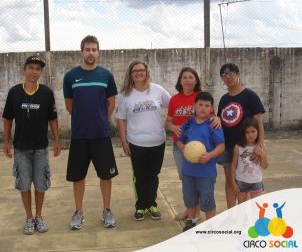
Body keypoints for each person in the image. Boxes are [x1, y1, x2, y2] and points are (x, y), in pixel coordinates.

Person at [63, 35, 118, 230]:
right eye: (87, 49)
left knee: (106, 175)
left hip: (101, 134)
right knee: (78, 176)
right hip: (79, 135)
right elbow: (70, 106)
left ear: (98, 52)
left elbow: (111, 103)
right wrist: (83, 119)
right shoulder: (70, 77)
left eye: (94, 49)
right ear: (82, 51)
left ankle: (107, 210)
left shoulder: (106, 76)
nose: (91, 53)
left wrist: (101, 118)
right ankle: (78, 212)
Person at [2, 55, 61, 235]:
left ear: (40, 72)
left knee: (41, 184)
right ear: (24, 69)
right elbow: (7, 118)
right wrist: (6, 142)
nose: (34, 72)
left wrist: (57, 140)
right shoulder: (14, 92)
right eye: (31, 68)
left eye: (37, 69)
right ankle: (28, 218)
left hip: (41, 148)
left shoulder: (46, 93)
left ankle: (39, 216)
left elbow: (53, 119)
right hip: (21, 148)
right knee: (25, 184)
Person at [115, 60, 171, 221]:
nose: (138, 73)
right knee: (139, 176)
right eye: (135, 71)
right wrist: (124, 142)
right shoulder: (126, 94)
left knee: (153, 175)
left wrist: (171, 123)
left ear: (147, 72)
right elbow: (121, 120)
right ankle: (140, 206)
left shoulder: (158, 90)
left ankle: (152, 204)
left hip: (157, 141)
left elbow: (173, 105)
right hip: (136, 142)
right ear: (130, 75)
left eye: (141, 70)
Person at [165, 67, 221, 221]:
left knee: (202, 181)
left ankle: (201, 215)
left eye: (191, 77)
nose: (188, 80)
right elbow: (168, 122)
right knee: (187, 178)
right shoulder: (174, 99)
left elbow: (213, 117)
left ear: (196, 80)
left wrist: (218, 119)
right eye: (185, 77)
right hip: (181, 145)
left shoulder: (201, 97)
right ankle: (192, 213)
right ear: (180, 80)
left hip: (202, 147)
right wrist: (174, 127)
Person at [217, 63, 265, 209]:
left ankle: (250, 215)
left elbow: (259, 122)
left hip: (247, 148)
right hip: (228, 147)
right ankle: (231, 213)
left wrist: (260, 146)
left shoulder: (250, 95)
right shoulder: (224, 99)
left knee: (249, 181)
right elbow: (220, 121)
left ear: (238, 74)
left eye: (230, 73)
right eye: (224, 75)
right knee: (231, 181)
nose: (228, 77)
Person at [177, 91, 225, 232]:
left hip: (206, 172)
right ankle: (191, 222)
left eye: (207, 105)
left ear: (211, 109)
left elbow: (221, 146)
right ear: (194, 106)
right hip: (188, 171)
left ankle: (210, 226)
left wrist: (210, 156)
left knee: (207, 199)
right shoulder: (188, 124)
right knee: (190, 198)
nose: (203, 108)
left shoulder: (213, 124)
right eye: (200, 104)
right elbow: (179, 141)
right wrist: (183, 148)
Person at [231, 118, 269, 204]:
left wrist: (262, 155)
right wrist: (233, 182)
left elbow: (265, 166)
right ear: (243, 133)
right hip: (241, 182)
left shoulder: (261, 147)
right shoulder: (238, 147)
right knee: (242, 208)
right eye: (247, 132)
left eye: (253, 131)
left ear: (258, 131)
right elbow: (233, 165)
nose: (250, 135)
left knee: (257, 207)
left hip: (256, 182)